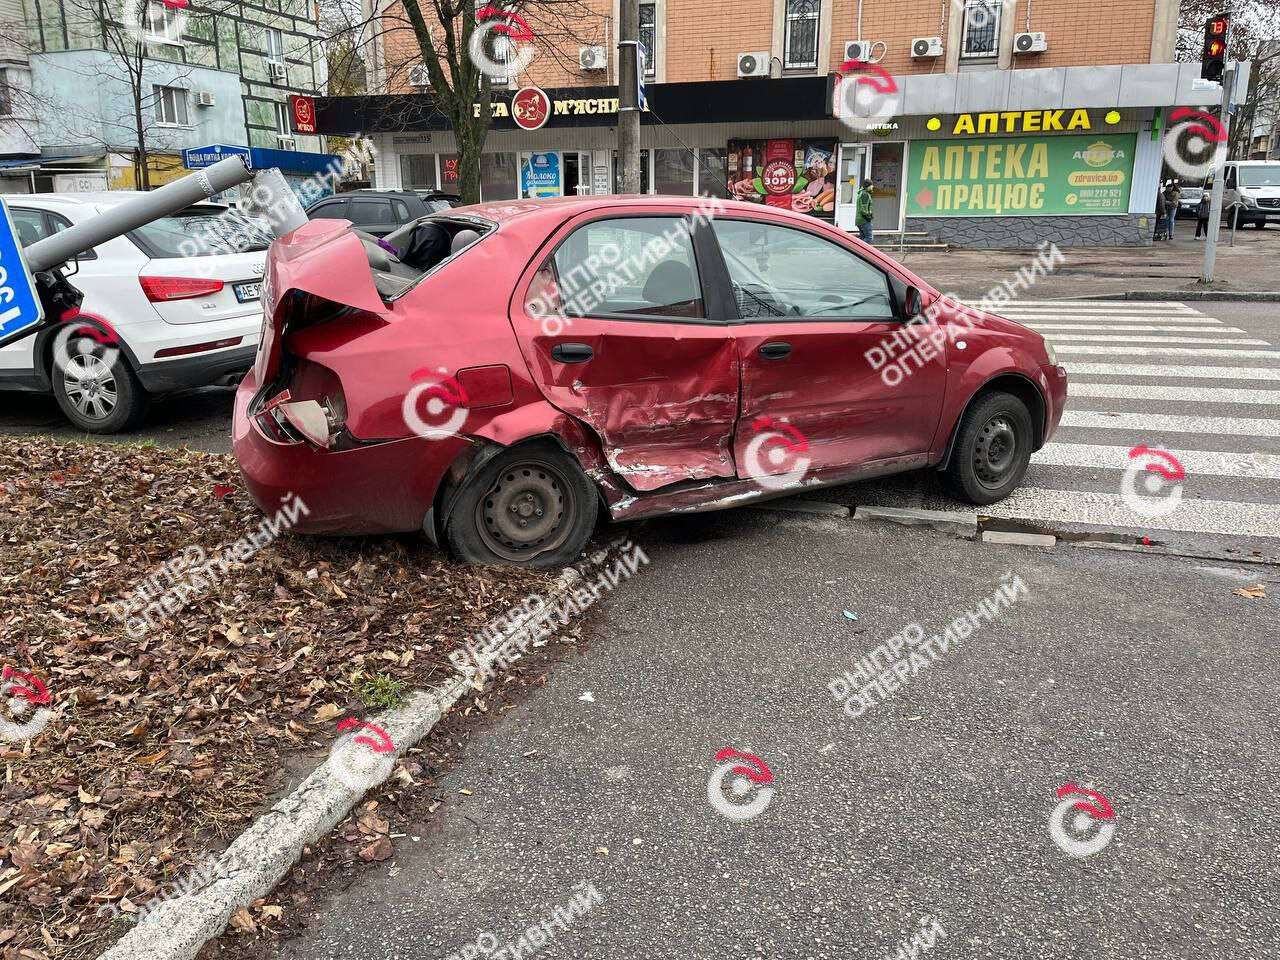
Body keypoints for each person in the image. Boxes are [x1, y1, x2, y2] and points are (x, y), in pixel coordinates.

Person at [856, 178, 875, 244]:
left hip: (859, 220)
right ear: (868, 186)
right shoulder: (865, 194)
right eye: (871, 185)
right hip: (864, 220)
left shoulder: (861, 193)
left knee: (863, 237)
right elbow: (863, 209)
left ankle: (857, 251)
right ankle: (858, 247)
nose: (873, 187)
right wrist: (869, 217)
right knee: (869, 238)